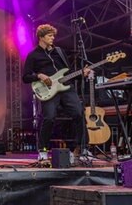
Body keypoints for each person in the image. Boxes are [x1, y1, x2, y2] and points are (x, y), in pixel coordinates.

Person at [22, 24, 89, 162]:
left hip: (66, 87)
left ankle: (81, 148)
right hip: (48, 91)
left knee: (78, 113)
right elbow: (25, 77)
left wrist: (82, 73)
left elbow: (68, 73)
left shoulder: (59, 52)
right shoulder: (33, 55)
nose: (53, 38)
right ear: (41, 37)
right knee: (49, 118)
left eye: (53, 35)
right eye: (49, 35)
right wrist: (39, 75)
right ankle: (43, 150)